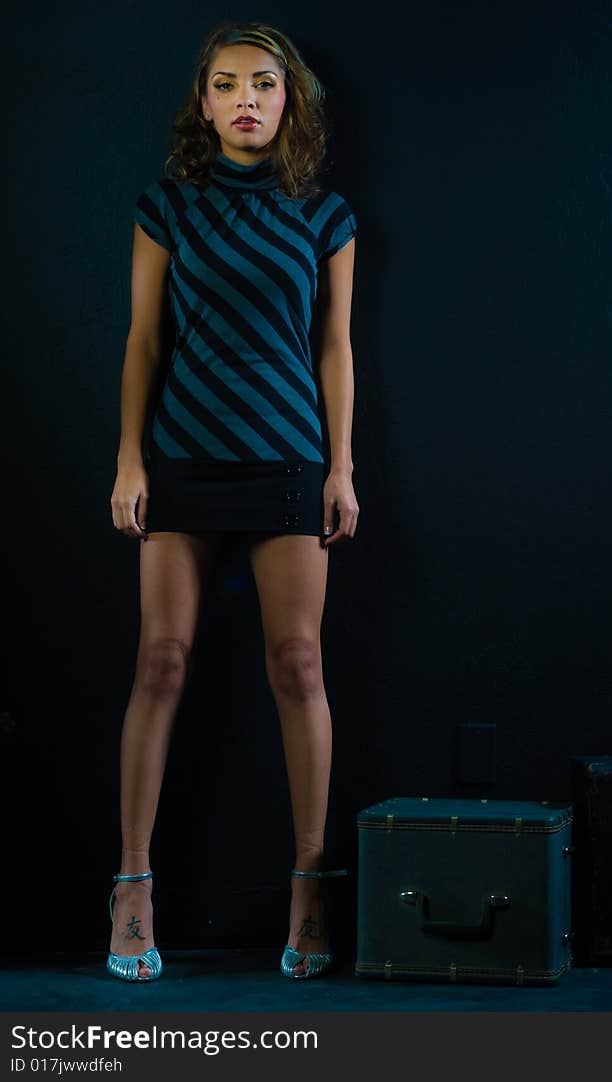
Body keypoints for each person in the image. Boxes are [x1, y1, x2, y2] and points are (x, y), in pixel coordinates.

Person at [107, 20, 359, 982]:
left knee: (298, 662)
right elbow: (141, 340)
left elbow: (336, 350)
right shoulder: (166, 206)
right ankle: (132, 886)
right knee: (161, 663)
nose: (245, 98)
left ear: (289, 99)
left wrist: (342, 468)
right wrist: (129, 460)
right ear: (203, 102)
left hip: (290, 458)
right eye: (225, 84)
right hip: (181, 456)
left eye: (263, 83)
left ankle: (310, 887)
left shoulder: (325, 216)